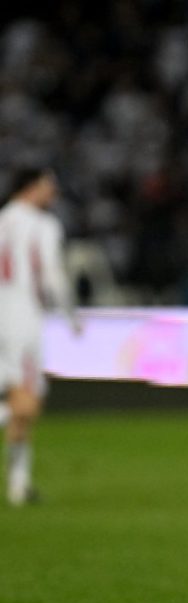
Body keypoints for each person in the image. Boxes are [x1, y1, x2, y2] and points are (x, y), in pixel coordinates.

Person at [0, 167, 80, 506]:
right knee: (26, 403)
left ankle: (19, 486)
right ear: (31, 187)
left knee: (15, 399)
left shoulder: (3, 219)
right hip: (23, 319)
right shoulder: (43, 225)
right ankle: (18, 484)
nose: (54, 193)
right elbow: (51, 275)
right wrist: (71, 315)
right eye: (50, 186)